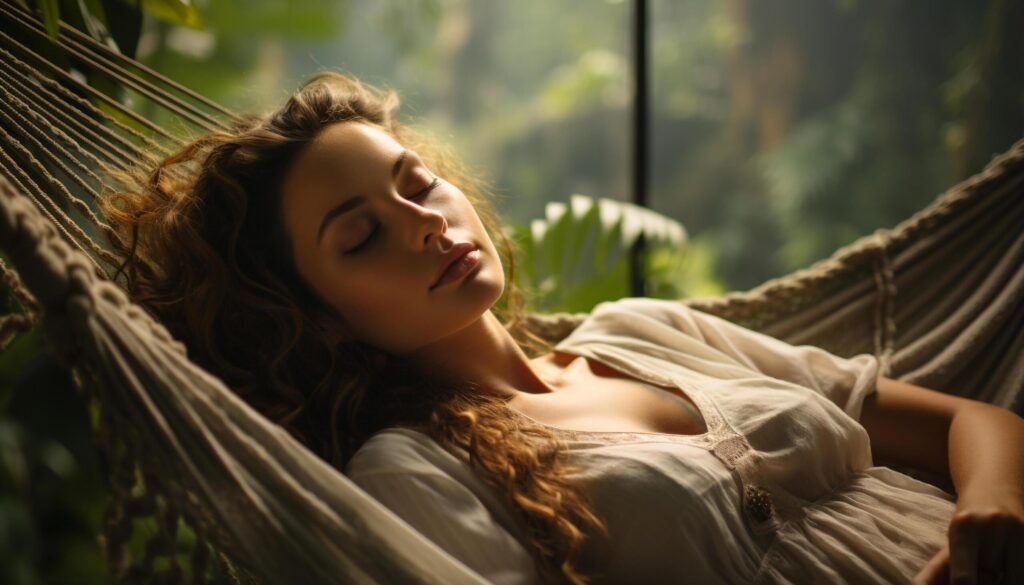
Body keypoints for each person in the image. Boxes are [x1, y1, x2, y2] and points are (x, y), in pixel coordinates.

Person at [102, 72, 1024, 585]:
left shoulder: (641, 330)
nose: (424, 221)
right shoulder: (416, 472)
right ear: (314, 318)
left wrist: (993, 503)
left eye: (416, 185)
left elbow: (971, 422)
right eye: (362, 235)